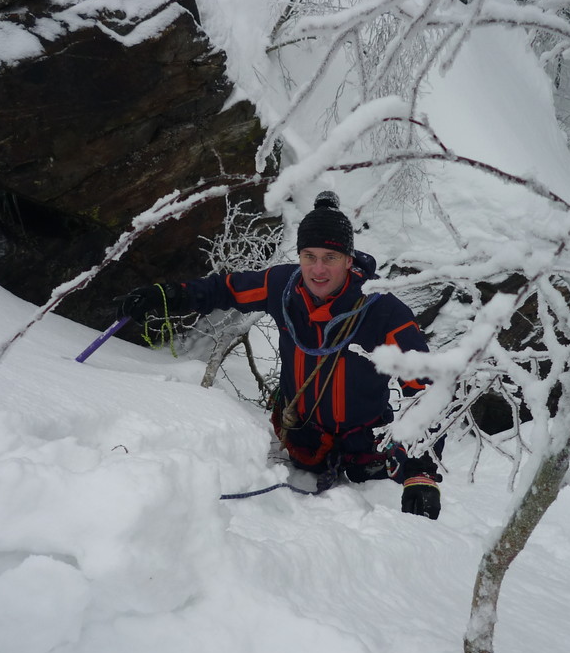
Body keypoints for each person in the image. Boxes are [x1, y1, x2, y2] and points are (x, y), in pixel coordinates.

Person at [115, 191, 442, 519]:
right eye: (309, 256)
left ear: (348, 259)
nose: (318, 269)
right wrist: (170, 296)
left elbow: (427, 391)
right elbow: (226, 289)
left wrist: (422, 474)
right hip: (302, 438)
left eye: (330, 257)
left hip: (364, 448)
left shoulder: (381, 311)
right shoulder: (283, 287)